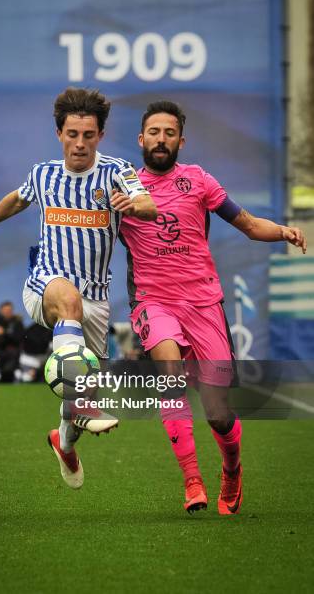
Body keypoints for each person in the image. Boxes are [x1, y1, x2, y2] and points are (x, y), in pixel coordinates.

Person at [0, 87, 157, 489]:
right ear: (59, 133)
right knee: (69, 304)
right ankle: (81, 404)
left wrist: (134, 205)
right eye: (72, 134)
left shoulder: (118, 171)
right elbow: (17, 199)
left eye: (88, 135)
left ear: (101, 136)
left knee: (79, 392)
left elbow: (147, 203)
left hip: (95, 301)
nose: (80, 143)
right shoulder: (43, 174)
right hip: (47, 284)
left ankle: (64, 438)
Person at [119, 100, 307, 515]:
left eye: (169, 133)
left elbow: (247, 224)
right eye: (154, 132)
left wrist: (283, 232)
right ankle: (192, 482)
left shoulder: (198, 180)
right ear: (141, 138)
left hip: (204, 301)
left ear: (181, 141)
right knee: (170, 381)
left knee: (219, 414)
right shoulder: (122, 188)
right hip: (154, 301)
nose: (161, 139)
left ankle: (232, 469)